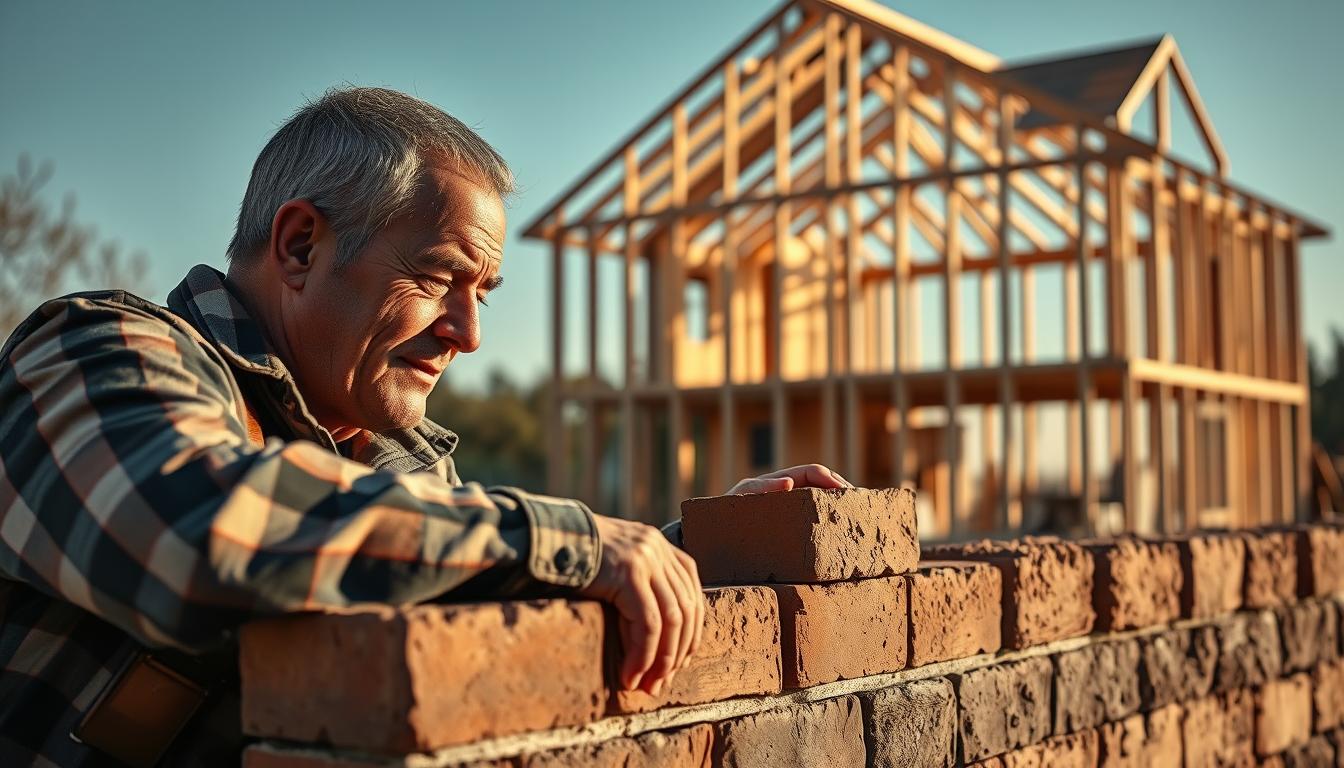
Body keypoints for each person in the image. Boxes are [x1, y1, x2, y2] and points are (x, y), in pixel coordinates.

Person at [0, 87, 851, 766]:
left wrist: (682, 551)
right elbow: (193, 536)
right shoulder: (97, 350)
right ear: (300, 247)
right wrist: (578, 542)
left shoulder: (399, 467)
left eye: (484, 295)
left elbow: (479, 578)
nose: (467, 333)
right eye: (441, 276)